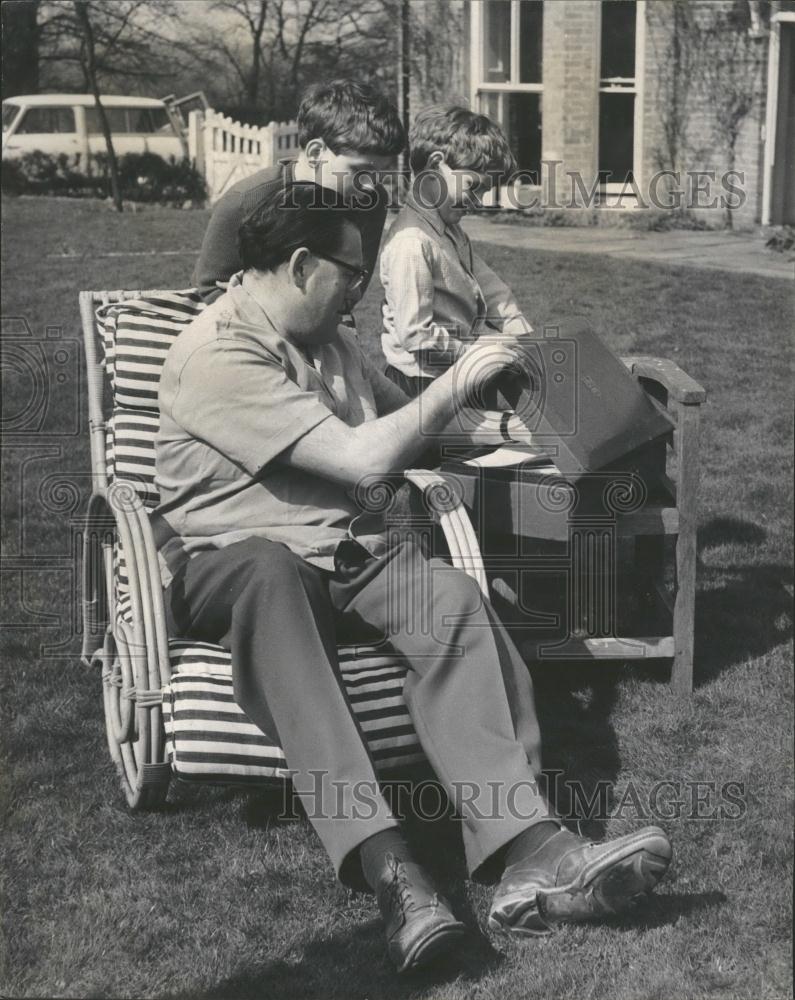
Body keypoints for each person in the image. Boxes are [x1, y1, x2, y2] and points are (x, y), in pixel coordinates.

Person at [154, 183, 672, 975]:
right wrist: (451, 383)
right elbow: (363, 458)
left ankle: (531, 851)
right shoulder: (216, 353)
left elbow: (425, 429)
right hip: (233, 566)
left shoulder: (330, 342)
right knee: (272, 575)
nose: (361, 293)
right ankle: (393, 871)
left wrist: (542, 420)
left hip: (343, 556)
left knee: (449, 597)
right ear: (300, 264)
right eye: (352, 275)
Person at [193, 78, 404, 304]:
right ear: (315, 153)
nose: (371, 185)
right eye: (360, 170)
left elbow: (353, 289)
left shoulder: (371, 201)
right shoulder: (247, 200)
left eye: (380, 172)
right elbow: (208, 289)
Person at [380, 105, 531, 398]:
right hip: (422, 384)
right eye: (474, 186)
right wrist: (480, 354)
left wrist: (521, 332)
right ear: (436, 165)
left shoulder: (450, 230)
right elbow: (417, 335)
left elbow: (493, 290)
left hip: (457, 371)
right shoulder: (411, 242)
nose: (478, 200)